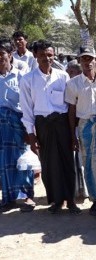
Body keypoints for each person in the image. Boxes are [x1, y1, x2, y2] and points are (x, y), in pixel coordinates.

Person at [19, 40, 80, 214]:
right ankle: (55, 201)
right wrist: (31, 136)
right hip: (43, 124)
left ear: (54, 55)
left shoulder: (63, 76)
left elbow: (69, 107)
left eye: (49, 54)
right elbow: (27, 109)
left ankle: (71, 200)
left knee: (68, 162)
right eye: (42, 55)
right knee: (49, 164)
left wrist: (73, 133)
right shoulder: (28, 80)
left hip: (62, 124)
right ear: (36, 57)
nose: (47, 58)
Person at [65, 46, 96, 216]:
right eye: (84, 59)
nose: (87, 62)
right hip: (84, 128)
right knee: (89, 164)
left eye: (90, 59)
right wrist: (72, 136)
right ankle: (95, 200)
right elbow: (71, 111)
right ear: (79, 61)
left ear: (95, 60)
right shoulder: (73, 84)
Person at [0, 38, 35, 213]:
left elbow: (28, 105)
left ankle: (27, 196)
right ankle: (8, 198)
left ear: (9, 55)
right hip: (1, 129)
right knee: (4, 162)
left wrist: (30, 130)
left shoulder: (22, 77)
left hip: (18, 126)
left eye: (1, 54)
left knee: (23, 160)